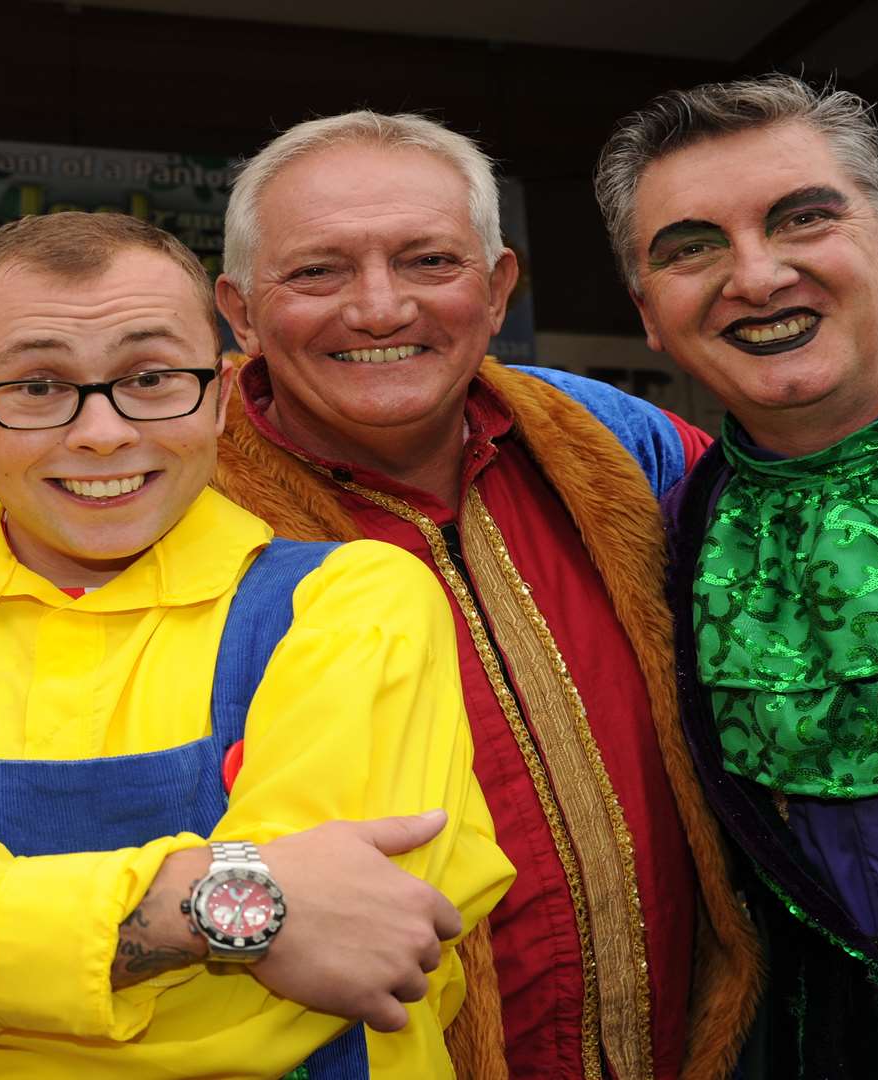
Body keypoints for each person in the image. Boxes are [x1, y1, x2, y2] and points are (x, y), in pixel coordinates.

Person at [0, 211, 514, 1078]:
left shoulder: (354, 604)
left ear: (224, 394)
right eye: (37, 387)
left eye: (153, 376)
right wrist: (213, 911)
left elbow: (318, 986)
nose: (101, 432)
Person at [210, 110, 761, 1080]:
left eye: (429, 262)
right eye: (317, 272)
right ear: (241, 312)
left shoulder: (619, 446)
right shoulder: (182, 523)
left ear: (498, 287)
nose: (380, 309)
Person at [596, 73, 878, 1079]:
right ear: (648, 312)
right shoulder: (660, 545)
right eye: (692, 248)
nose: (755, 277)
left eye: (801, 219)